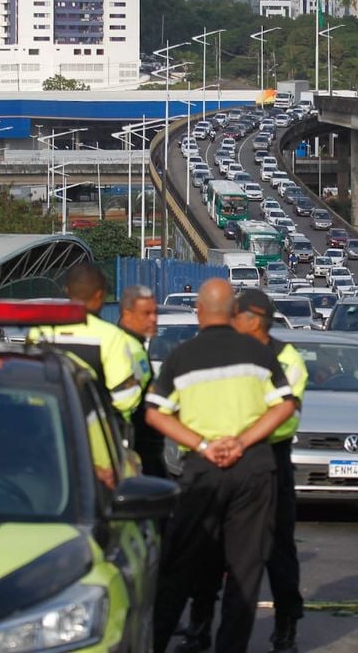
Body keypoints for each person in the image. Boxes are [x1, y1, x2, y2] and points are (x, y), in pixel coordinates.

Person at [145, 279, 294, 653]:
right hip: (254, 468)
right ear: (232, 313)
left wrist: (205, 444)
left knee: (179, 566)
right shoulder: (259, 354)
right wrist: (242, 441)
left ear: (198, 312)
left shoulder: (182, 356)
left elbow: (155, 414)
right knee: (245, 571)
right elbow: (284, 406)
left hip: (203, 472)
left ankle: (157, 641)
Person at [180, 289, 308, 653]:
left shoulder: (287, 358)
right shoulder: (228, 352)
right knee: (208, 548)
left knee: (278, 549)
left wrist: (240, 435)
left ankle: (285, 630)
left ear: (253, 320)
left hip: (268, 460)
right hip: (221, 457)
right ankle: (199, 625)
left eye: (236, 316)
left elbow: (287, 418)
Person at [28, 263, 146, 420]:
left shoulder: (40, 332)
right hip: (92, 433)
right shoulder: (110, 336)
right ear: (100, 295)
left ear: (67, 290)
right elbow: (125, 398)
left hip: (46, 427)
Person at [117, 284, 164, 478]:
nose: (154, 319)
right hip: (133, 446)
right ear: (127, 315)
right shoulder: (123, 348)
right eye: (146, 314)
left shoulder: (135, 344)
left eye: (155, 312)